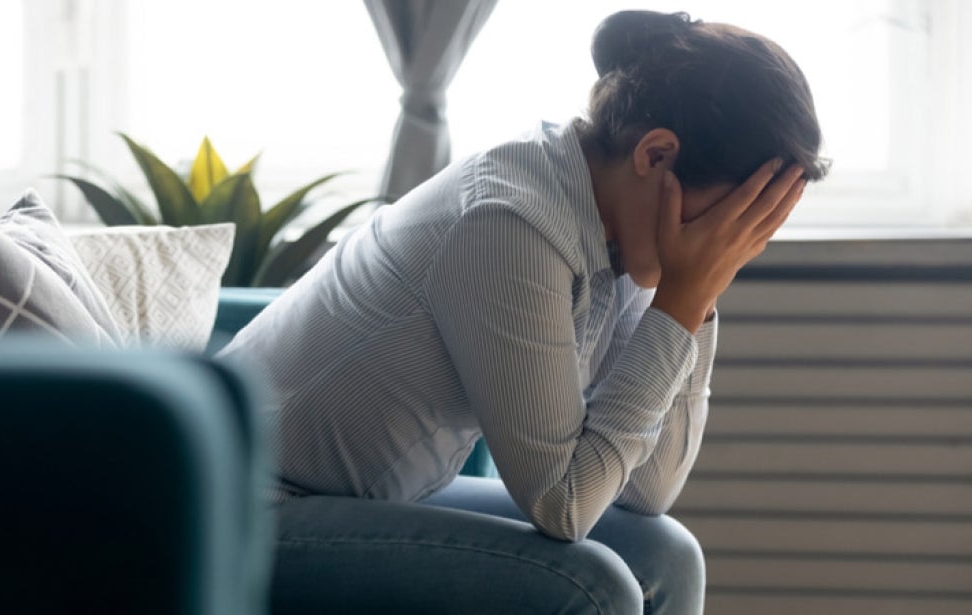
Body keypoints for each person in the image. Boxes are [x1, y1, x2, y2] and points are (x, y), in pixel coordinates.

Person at [218, 9, 828, 614]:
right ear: (656, 155)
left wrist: (696, 298)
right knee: (593, 586)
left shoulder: (620, 229)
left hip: (370, 499)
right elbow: (563, 505)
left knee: (665, 555)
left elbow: (646, 492)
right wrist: (683, 301)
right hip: (238, 509)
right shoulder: (510, 222)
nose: (727, 241)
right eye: (729, 217)